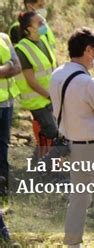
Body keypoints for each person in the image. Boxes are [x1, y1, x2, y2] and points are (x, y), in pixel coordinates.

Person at [49, 27, 94, 247]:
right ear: (89, 50)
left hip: (71, 146)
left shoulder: (56, 75)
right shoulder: (89, 83)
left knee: (78, 199)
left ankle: (72, 243)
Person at [15, 11, 57, 159]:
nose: (44, 25)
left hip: (50, 96)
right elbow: (31, 81)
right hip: (38, 100)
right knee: (52, 132)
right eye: (39, 23)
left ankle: (44, 166)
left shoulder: (43, 40)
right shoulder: (22, 49)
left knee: (55, 134)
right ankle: (43, 167)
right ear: (29, 28)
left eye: (44, 21)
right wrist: (50, 96)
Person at [0, 32, 22, 243]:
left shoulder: (4, 38)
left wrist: (7, 68)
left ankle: (4, 186)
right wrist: (5, 68)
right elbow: (10, 67)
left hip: (7, 104)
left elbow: (16, 67)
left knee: (3, 149)